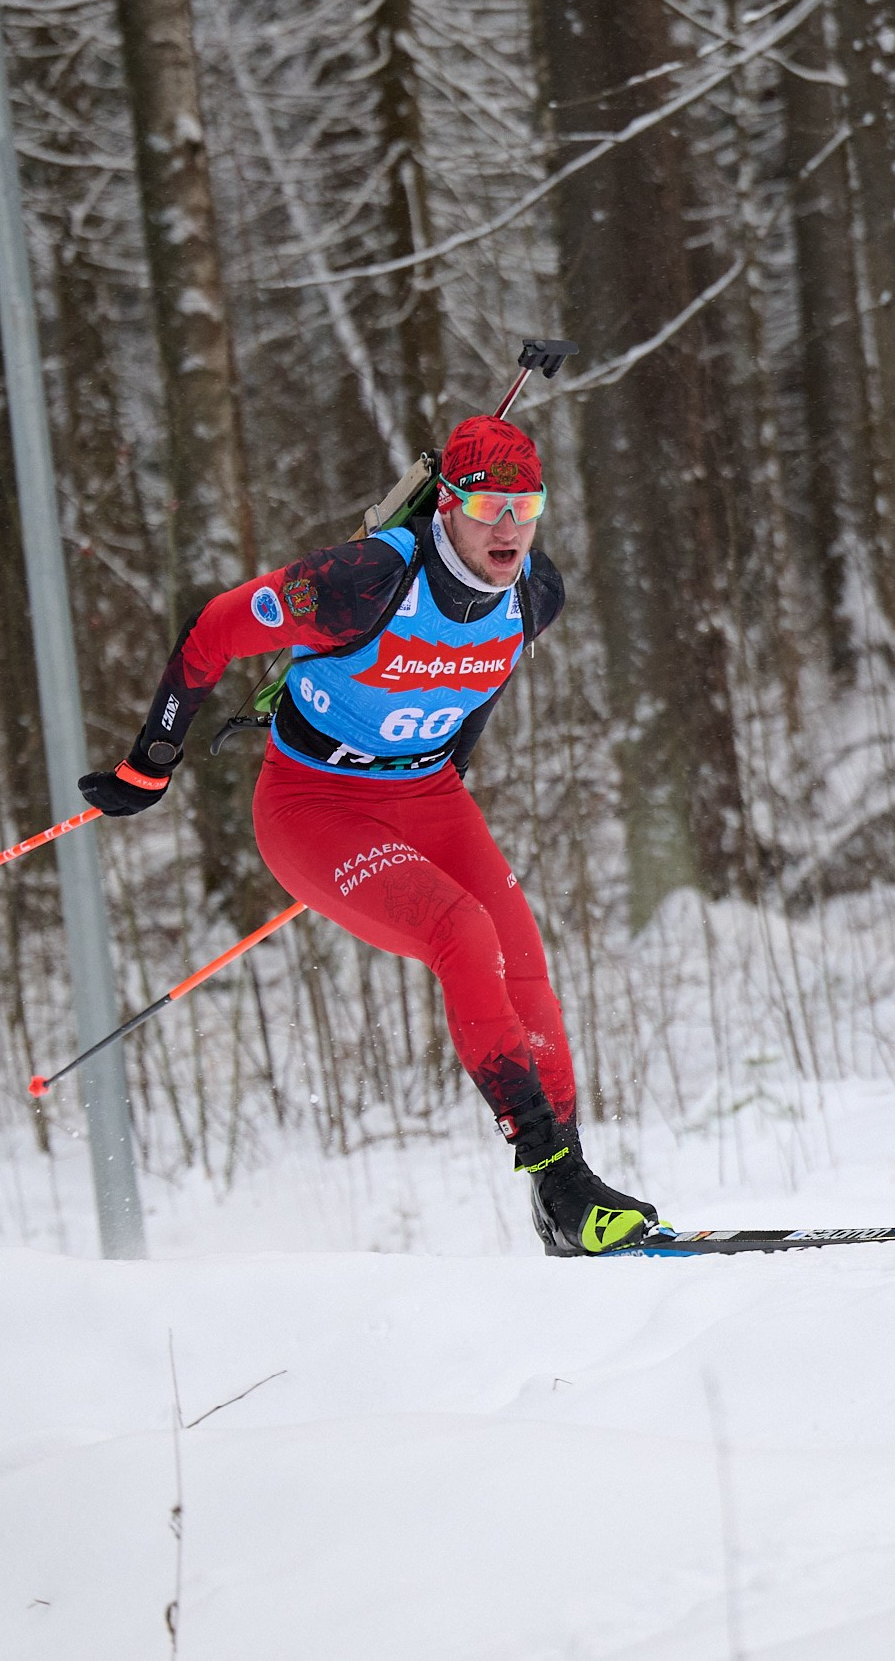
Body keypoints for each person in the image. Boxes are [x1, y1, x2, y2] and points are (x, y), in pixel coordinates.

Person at [80, 413, 662, 1255]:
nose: (509, 528)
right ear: (446, 506)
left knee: (523, 958)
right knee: (459, 932)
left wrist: (448, 766)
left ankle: (564, 1195)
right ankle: (557, 1178)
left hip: (426, 793)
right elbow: (216, 627)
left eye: (525, 506)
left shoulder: (537, 591)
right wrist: (152, 759)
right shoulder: (360, 582)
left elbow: (482, 677)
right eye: (489, 506)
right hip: (313, 804)